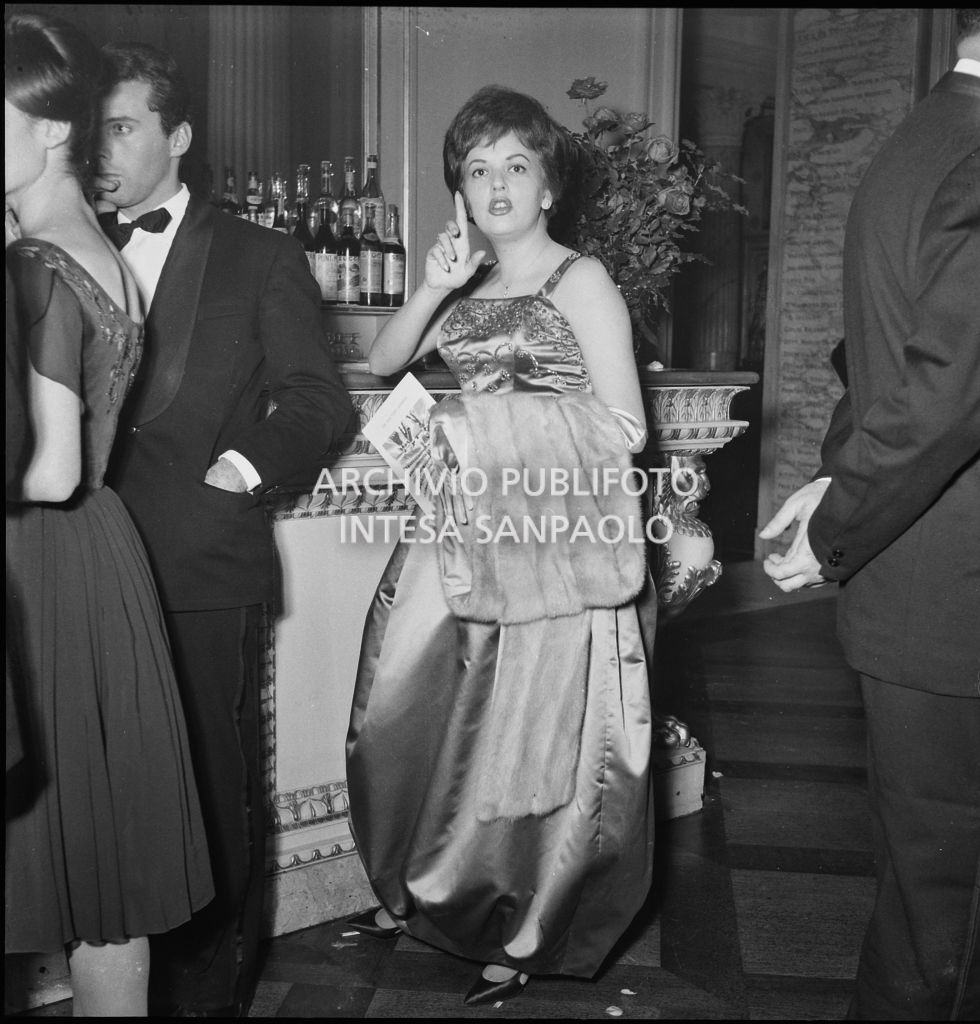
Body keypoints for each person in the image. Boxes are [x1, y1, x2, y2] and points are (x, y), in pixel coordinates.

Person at [344, 84, 656, 1007]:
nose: (496, 184)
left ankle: (522, 928)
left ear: (548, 184)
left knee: (530, 746)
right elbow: (381, 362)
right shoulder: (469, 288)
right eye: (477, 170)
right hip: (457, 533)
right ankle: (419, 891)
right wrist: (435, 285)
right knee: (407, 714)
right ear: (461, 192)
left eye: (515, 165)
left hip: (549, 542)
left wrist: (490, 427)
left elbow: (627, 427)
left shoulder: (583, 280)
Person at [93, 43, 355, 1017]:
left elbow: (317, 402)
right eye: (89, 130)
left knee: (210, 793)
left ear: (179, 137)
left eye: (119, 127)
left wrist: (239, 468)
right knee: (104, 796)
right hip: (80, 570)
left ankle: (210, 998)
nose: (99, 150)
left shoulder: (260, 255)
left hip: (201, 568)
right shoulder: (52, 249)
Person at [760, 9, 980, 1019]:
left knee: (926, 919)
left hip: (915, 606)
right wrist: (830, 528)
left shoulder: (916, 141)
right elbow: (945, 398)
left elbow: (870, 359)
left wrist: (832, 485)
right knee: (952, 947)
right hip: (974, 618)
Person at [4, 11, 214, 1016]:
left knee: (53, 852)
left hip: (36, 566)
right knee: (106, 878)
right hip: (101, 556)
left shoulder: (32, 265)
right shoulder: (97, 251)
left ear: (51, 129)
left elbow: (40, 471)